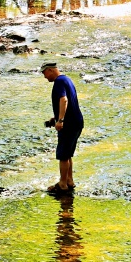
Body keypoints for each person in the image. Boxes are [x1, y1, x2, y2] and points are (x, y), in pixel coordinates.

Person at [42, 62, 84, 194]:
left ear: (50, 70)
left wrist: (60, 120)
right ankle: (69, 181)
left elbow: (64, 100)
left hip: (69, 124)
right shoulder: (67, 79)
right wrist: (55, 118)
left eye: (44, 73)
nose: (44, 77)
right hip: (77, 121)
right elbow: (70, 102)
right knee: (68, 154)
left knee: (63, 155)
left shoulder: (59, 82)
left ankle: (62, 184)